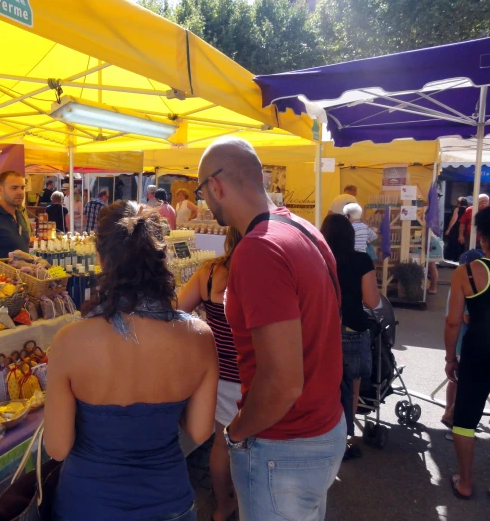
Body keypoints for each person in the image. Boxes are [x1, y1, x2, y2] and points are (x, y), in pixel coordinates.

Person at [197, 137, 345, 521]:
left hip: (285, 445)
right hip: (322, 428)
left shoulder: (258, 249)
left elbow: (282, 382)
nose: (205, 202)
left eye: (202, 191)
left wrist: (236, 432)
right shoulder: (303, 229)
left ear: (216, 185)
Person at [45, 201, 218, 521]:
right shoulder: (199, 337)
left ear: (100, 259)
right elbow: (199, 430)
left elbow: (57, 448)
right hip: (170, 504)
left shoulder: (70, 342)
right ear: (161, 259)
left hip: (89, 505)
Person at [178, 228, 243, 521]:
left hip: (221, 374)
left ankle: (222, 506)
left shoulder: (210, 272)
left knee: (223, 442)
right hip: (257, 375)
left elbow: (175, 311)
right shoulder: (267, 273)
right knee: (258, 443)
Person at [321, 214, 380, 460]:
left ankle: (322, 436)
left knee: (324, 388)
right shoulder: (361, 260)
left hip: (322, 330)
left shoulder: (317, 260)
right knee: (351, 390)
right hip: (352, 329)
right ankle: (344, 440)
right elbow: (372, 301)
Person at [444, 206, 490, 500]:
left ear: (482, 236)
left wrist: (450, 358)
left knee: (465, 418)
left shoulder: (468, 271)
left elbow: (453, 321)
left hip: (478, 350)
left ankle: (465, 482)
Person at [445, 197, 468, 261]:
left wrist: (448, 229)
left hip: (456, 228)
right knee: (461, 244)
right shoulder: (467, 209)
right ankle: (459, 257)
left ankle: (451, 257)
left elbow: (453, 220)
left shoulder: (457, 209)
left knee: (453, 242)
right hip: (464, 228)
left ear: (459, 203)